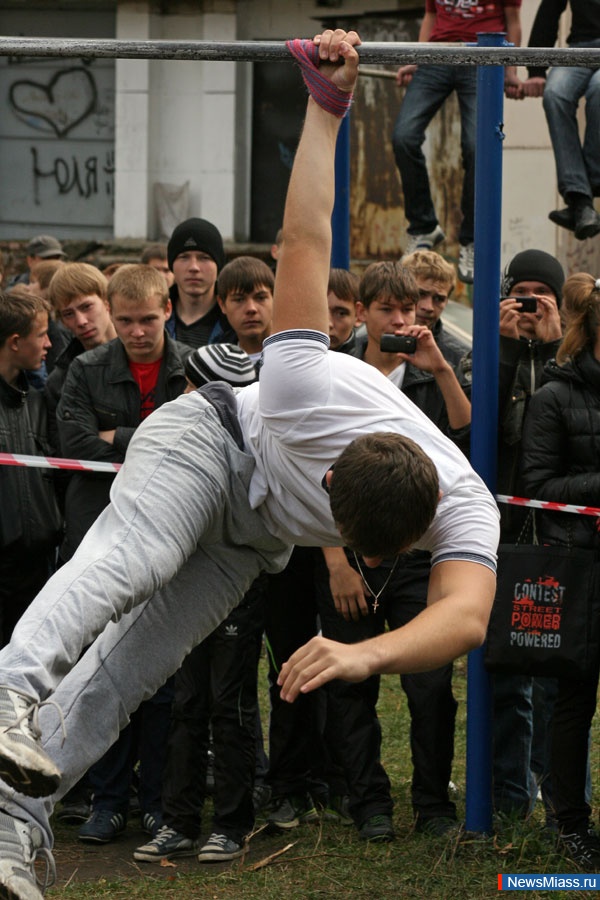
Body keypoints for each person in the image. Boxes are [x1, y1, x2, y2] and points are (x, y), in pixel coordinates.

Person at [0, 30, 499, 899]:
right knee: (135, 563)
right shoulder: (306, 387)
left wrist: (364, 656)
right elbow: (301, 241)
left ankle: (12, 831)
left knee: (132, 667)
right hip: (212, 440)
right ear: (335, 481)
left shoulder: (465, 504)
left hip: (255, 532)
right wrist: (326, 103)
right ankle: (6, 692)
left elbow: (465, 621)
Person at [314, 259, 469, 842]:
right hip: (349, 554)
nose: (403, 319)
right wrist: (335, 562)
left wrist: (443, 370)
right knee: (350, 685)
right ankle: (369, 803)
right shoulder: (336, 374)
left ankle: (433, 806)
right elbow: (310, 471)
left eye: (409, 309)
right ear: (361, 313)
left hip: (418, 554)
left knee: (429, 685)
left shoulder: (429, 374)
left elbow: (464, 437)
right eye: (388, 309)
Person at [55, 264, 189, 844]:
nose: (137, 332)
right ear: (111, 311)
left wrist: (119, 436)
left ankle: (156, 800)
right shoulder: (85, 369)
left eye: (149, 320)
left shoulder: (191, 367)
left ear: (168, 307)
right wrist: (150, 434)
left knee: (158, 674)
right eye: (127, 320)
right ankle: (107, 802)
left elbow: (197, 441)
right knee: (101, 666)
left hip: (170, 528)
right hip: (100, 530)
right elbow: (75, 441)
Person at [133, 343, 264, 864]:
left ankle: (232, 823)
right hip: (185, 582)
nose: (186, 393)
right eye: (187, 383)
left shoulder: (252, 440)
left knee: (229, 704)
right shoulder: (178, 428)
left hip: (235, 583)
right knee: (185, 703)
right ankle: (179, 821)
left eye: (197, 385)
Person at [458, 248, 565, 820]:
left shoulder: (570, 356)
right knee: (504, 675)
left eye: (539, 294)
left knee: (554, 677)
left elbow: (566, 412)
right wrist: (503, 349)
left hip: (555, 538)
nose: (528, 304)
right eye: (519, 292)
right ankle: (508, 797)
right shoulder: (486, 350)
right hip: (499, 534)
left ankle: (560, 795)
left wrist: (550, 345)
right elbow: (479, 428)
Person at [521, 272, 600, 867]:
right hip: (580, 570)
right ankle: (570, 824)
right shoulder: (555, 393)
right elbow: (538, 486)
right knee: (573, 701)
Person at [391, 0, 522, 284]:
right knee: (404, 135)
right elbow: (430, 15)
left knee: (477, 147)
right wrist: (418, 56)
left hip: (482, 57)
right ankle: (423, 226)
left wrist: (510, 70)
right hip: (438, 55)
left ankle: (471, 240)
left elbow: (513, 21)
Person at [0, 291, 62, 650]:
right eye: (41, 334)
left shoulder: (38, 402)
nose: (49, 343)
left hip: (36, 567)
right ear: (14, 342)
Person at [523, 0, 600, 240]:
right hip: (580, 49)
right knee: (555, 94)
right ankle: (580, 198)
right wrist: (536, 71)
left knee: (599, 91)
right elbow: (549, 11)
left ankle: (590, 184)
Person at [165, 217, 232, 348]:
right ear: (172, 265)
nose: (194, 267)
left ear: (218, 265)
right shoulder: (154, 318)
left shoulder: (235, 320)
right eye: (184, 257)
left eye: (204, 258)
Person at [401, 249, 469, 365]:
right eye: (420, 294)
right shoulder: (366, 346)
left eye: (439, 299)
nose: (428, 307)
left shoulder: (461, 359)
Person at [327, 268, 361, 353]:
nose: (328, 324)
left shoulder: (368, 363)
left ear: (358, 315)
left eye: (341, 313)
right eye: (320, 312)